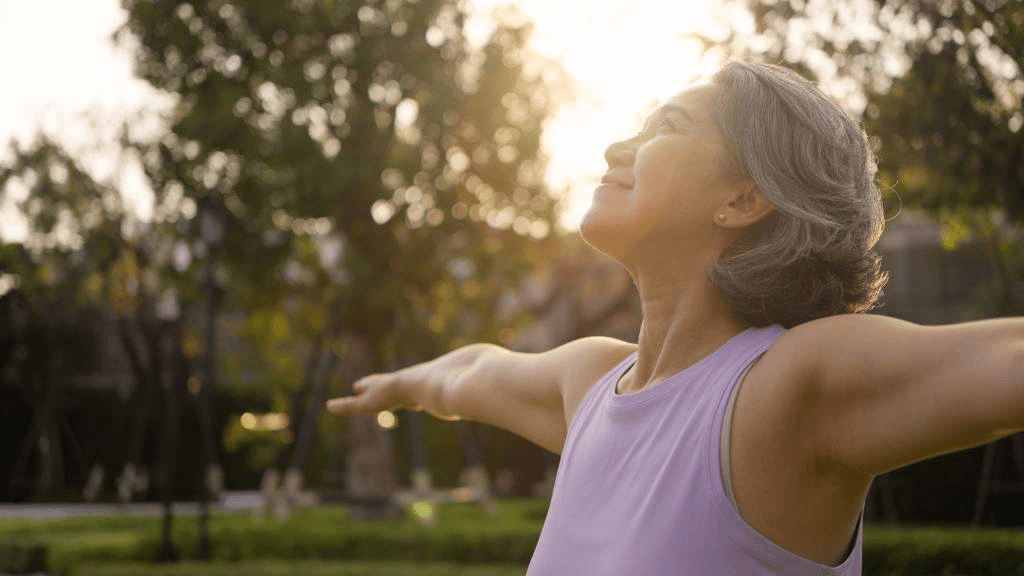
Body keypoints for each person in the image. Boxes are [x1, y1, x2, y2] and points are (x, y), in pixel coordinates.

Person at [326, 60, 1024, 575]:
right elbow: (474, 371)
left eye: (667, 127)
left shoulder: (786, 388)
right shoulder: (592, 384)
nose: (614, 149)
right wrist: (403, 385)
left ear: (743, 199)